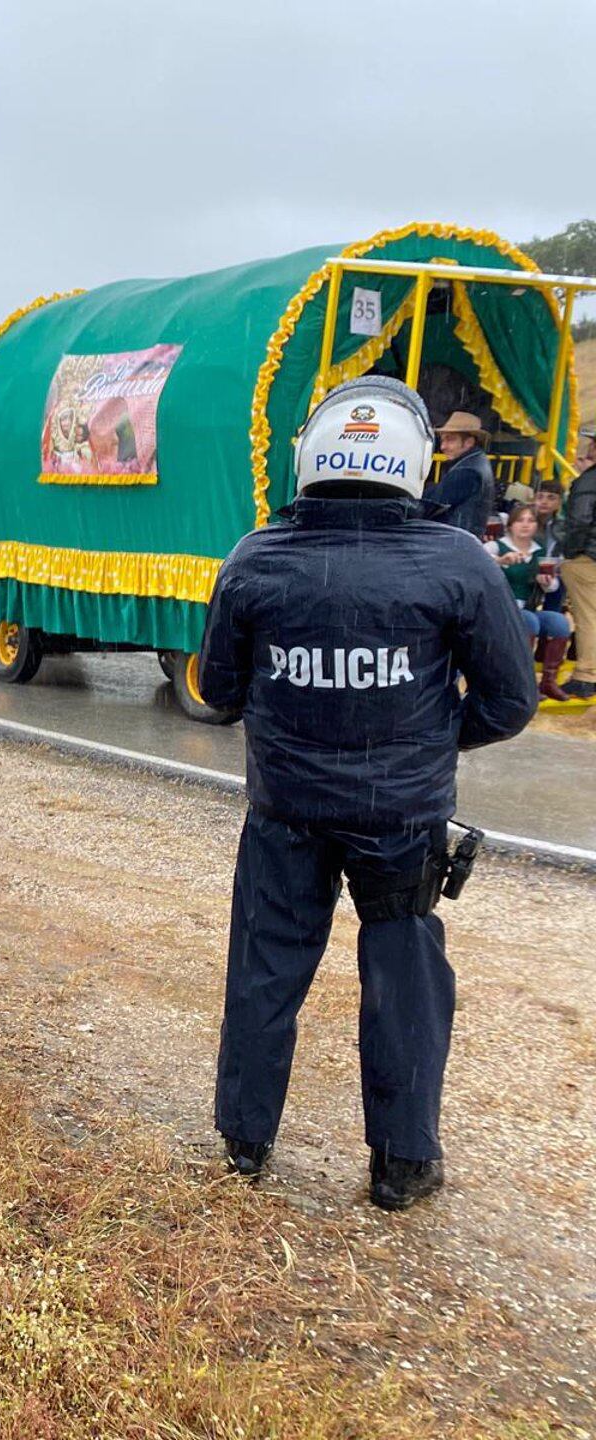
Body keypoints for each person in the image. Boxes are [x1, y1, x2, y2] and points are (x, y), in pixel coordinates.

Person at [198, 376, 536, 1212]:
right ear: (415, 461)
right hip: (401, 820)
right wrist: (420, 740)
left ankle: (245, 1142)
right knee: (405, 980)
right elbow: (509, 702)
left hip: (285, 814)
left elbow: (218, 688)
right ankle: (403, 1165)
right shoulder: (457, 564)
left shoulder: (256, 558)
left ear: (310, 457)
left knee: (266, 969)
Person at [486, 502, 571, 702]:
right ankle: (522, 681)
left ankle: (548, 681)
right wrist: (500, 561)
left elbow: (554, 587)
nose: (525, 525)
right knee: (529, 621)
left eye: (531, 520)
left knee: (559, 622)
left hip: (528, 608)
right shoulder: (497, 546)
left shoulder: (540, 552)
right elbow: (476, 563)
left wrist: (547, 582)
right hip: (501, 608)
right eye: (520, 520)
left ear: (536, 526)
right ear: (511, 524)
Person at [559, 428, 596, 699]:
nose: (590, 447)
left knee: (587, 618)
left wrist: (571, 552)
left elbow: (580, 521)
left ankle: (586, 676)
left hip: (587, 558)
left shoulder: (589, 481)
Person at [426, 410, 494, 537]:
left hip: (455, 543)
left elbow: (432, 503)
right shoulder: (475, 462)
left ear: (469, 442)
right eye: (442, 440)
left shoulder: (467, 471)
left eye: (450, 440)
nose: (443, 447)